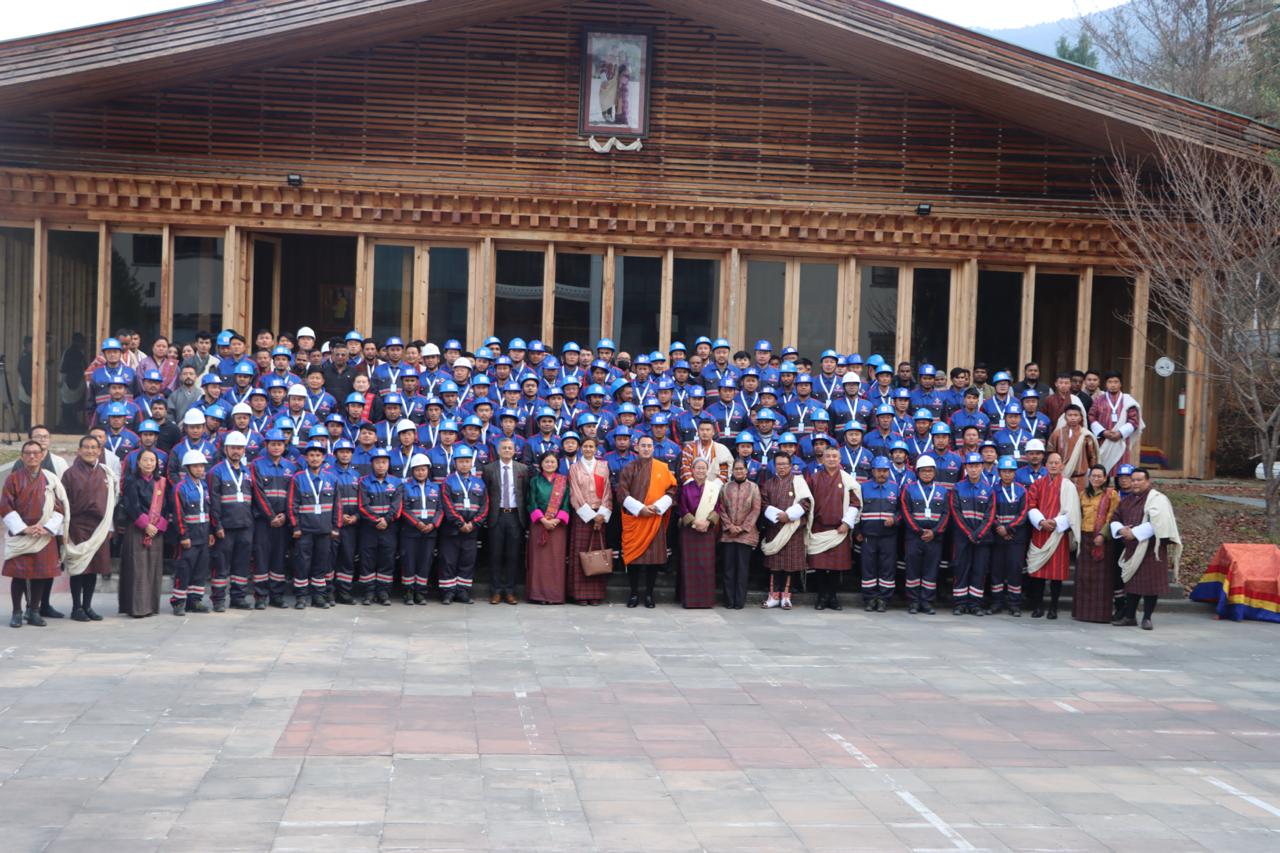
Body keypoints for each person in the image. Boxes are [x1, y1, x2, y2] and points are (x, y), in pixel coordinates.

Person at [3, 440, 66, 627]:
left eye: (36, 453)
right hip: (22, 533)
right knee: (19, 574)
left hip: (43, 534)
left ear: (42, 455)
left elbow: (59, 507)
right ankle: (16, 612)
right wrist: (24, 528)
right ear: (22, 457)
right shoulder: (13, 479)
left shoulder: (50, 479)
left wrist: (46, 527)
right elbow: (5, 506)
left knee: (41, 574)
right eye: (28, 453)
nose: (32, 456)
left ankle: (34, 611)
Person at [1112, 468, 1182, 630]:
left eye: (1139, 480)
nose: (1135, 483)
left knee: (1151, 586)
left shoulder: (1158, 499)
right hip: (1132, 548)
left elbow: (1159, 522)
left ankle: (1147, 618)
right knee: (1132, 585)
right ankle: (1130, 617)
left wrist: (1135, 533)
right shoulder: (1126, 501)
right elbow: (1115, 517)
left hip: (1152, 548)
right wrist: (1121, 530)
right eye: (1133, 480)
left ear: (1147, 481)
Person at [616, 434, 678, 608]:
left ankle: (649, 595)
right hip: (636, 519)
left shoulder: (662, 468)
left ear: (653, 448)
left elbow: (672, 489)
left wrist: (658, 506)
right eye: (643, 445)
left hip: (654, 518)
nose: (646, 449)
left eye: (649, 446)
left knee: (653, 560)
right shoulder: (629, 468)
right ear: (636, 447)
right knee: (633, 559)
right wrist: (640, 509)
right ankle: (634, 594)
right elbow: (621, 493)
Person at [60, 435, 115, 622]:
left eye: (93, 447)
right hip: (77, 525)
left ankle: (87, 606)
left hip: (99, 526)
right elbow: (62, 502)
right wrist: (64, 530)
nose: (90, 451)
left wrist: (109, 526)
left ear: (99, 451)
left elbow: (112, 501)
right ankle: (76, 607)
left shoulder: (106, 473)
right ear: (79, 450)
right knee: (79, 567)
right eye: (86, 447)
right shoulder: (69, 474)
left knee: (93, 568)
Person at [1024, 450, 1080, 620]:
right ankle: (1038, 606)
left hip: (1058, 534)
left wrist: (1056, 522)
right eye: (1051, 463)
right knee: (1037, 572)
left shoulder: (1069, 486)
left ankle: (1053, 607)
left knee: (1056, 575)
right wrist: (1041, 521)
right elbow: (1031, 505)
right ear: (1046, 465)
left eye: (1057, 463)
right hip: (1040, 532)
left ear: (1062, 465)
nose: (1054, 465)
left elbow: (1073, 511)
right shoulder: (1037, 484)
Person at [806, 445, 861, 611]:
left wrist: (847, 523)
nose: (831, 459)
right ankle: (821, 597)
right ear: (822, 459)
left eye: (834, 456)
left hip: (839, 529)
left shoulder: (847, 480)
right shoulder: (814, 478)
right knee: (820, 567)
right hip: (818, 528)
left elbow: (855, 503)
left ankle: (833, 597)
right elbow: (806, 501)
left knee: (837, 567)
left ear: (840, 459)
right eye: (828, 456)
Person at [288, 442, 341, 609]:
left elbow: (337, 505)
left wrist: (336, 527)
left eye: (318, 455)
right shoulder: (298, 478)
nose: (315, 458)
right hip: (304, 531)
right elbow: (292, 504)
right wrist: (295, 527)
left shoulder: (332, 479)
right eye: (311, 455)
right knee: (302, 564)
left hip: (325, 531)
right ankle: (301, 597)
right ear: (305, 458)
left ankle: (319, 596)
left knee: (321, 564)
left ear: (323, 458)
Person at [208, 431, 255, 611]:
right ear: (226, 449)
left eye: (240, 448)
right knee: (221, 564)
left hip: (245, 525)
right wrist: (217, 525)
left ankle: (238, 598)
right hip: (225, 527)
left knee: (241, 564)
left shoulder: (247, 471)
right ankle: (218, 599)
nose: (237, 451)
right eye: (233, 448)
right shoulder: (216, 471)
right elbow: (213, 500)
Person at [119, 448, 167, 618]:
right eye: (145, 460)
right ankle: (137, 607)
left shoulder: (161, 482)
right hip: (137, 529)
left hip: (156, 531)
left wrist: (158, 525)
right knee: (137, 568)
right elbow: (131, 505)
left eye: (152, 460)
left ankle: (151, 606)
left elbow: (166, 506)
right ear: (138, 462)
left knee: (153, 568)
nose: (149, 463)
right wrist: (145, 524)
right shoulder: (132, 481)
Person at [251, 429, 297, 608]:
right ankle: (260, 596)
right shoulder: (257, 465)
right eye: (273, 444)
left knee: (279, 558)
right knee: (261, 557)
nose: (276, 447)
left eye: (280, 444)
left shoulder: (291, 467)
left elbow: (293, 495)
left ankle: (276, 595)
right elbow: (258, 493)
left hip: (283, 521)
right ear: (266, 445)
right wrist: (270, 516)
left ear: (285, 446)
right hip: (263, 521)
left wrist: (285, 515)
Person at [759, 453, 810, 609]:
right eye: (779, 464)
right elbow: (763, 504)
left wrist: (788, 516)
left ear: (790, 466)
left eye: (785, 464)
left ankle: (786, 597)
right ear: (774, 466)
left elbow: (806, 502)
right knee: (774, 565)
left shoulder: (799, 483)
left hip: (792, 529)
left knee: (789, 565)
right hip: (774, 529)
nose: (782, 467)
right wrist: (777, 516)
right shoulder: (768, 484)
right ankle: (773, 596)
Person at [481, 437, 528, 605]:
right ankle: (495, 591)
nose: (507, 450)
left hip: (515, 516)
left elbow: (525, 492)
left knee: (513, 555)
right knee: (495, 555)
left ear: (514, 450)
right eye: (504, 448)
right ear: (498, 451)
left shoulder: (523, 469)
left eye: (510, 448)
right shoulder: (489, 469)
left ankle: (510, 591)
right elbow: (485, 494)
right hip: (497, 516)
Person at [567, 436, 612, 606]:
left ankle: (596, 594)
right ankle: (579, 595)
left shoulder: (603, 466)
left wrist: (601, 515)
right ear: (580, 448)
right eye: (585, 446)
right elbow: (575, 493)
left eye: (591, 446)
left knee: (597, 554)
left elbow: (607, 491)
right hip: (583, 515)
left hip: (600, 514)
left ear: (596, 449)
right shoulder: (574, 468)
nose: (588, 449)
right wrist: (591, 516)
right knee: (581, 554)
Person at [901, 455, 949, 615]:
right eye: (923, 471)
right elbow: (906, 512)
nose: (927, 474)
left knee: (931, 569)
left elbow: (946, 514)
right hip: (914, 537)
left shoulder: (942, 491)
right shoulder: (909, 489)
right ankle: (913, 601)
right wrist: (919, 531)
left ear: (934, 472)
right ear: (917, 472)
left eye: (930, 471)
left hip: (935, 538)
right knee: (912, 569)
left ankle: (927, 601)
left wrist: (934, 532)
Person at [439, 444, 487, 604]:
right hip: (451, 530)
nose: (464, 464)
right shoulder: (448, 482)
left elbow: (485, 506)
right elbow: (447, 504)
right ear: (455, 463)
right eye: (461, 461)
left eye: (467, 461)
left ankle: (463, 591)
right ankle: (448, 592)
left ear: (472, 463)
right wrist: (460, 523)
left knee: (467, 561)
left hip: (471, 530)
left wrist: (473, 524)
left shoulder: (479, 483)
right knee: (448, 561)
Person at [949, 453, 996, 616]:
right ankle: (960, 603)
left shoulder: (989, 489)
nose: (974, 469)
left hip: (982, 538)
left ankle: (975, 604)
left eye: (977, 466)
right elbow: (955, 512)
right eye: (971, 466)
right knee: (961, 569)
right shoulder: (957, 487)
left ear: (981, 467)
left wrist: (979, 533)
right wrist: (968, 533)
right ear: (966, 468)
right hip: (962, 538)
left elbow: (990, 515)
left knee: (979, 570)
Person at [171, 450, 214, 616]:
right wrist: (184, 535)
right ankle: (178, 601)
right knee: (184, 569)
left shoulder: (204, 486)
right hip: (189, 535)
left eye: (202, 466)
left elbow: (208, 510)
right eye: (195, 466)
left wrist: (210, 533)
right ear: (188, 468)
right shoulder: (180, 488)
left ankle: (194, 601)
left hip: (203, 534)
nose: (199, 469)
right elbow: (178, 514)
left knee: (200, 569)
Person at [1074, 464, 1119, 624]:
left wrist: (1102, 534)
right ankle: (1082, 613)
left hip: (1102, 539)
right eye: (1093, 476)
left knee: (1102, 579)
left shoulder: (1111, 494)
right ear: (1089, 477)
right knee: (1084, 577)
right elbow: (1077, 514)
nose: (1096, 479)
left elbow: (1113, 516)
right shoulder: (1082, 494)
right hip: (1085, 538)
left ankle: (1100, 615)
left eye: (1100, 476)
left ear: (1105, 478)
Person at [357, 447, 402, 605]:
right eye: (377, 462)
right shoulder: (363, 482)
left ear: (389, 464)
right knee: (367, 560)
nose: (381, 465)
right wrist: (376, 520)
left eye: (384, 462)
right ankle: (368, 592)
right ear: (372, 464)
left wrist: (387, 520)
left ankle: (383, 592)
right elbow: (363, 506)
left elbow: (397, 506)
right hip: (369, 529)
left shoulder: (396, 482)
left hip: (389, 528)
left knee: (387, 560)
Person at [677, 458, 721, 609]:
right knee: (690, 567)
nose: (701, 471)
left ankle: (706, 601)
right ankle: (690, 601)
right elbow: (682, 508)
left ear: (707, 470)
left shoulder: (713, 488)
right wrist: (695, 523)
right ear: (692, 470)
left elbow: (718, 507)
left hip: (707, 531)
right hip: (690, 531)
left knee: (706, 566)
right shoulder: (686, 488)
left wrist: (708, 522)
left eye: (704, 468)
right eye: (698, 468)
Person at [526, 452, 570, 605]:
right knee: (539, 561)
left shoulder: (563, 481)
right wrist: (543, 520)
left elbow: (566, 502)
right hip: (539, 524)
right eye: (546, 462)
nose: (550, 464)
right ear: (541, 464)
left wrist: (557, 520)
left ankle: (555, 595)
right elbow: (531, 502)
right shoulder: (534, 481)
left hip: (558, 527)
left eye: (552, 462)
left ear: (557, 464)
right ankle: (538, 595)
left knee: (556, 561)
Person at [857, 456, 899, 612]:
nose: (882, 474)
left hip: (889, 536)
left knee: (887, 568)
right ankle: (869, 599)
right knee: (868, 568)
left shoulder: (895, 487)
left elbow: (901, 510)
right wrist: (857, 531)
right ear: (873, 471)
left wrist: (894, 519)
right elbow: (856, 510)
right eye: (879, 470)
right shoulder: (863, 487)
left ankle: (883, 599)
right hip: (868, 536)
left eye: (885, 471)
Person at [399, 454, 441, 605]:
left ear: (428, 470)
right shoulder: (405, 487)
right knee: (409, 561)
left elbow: (440, 509)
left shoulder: (436, 487)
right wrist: (417, 523)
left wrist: (433, 524)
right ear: (412, 471)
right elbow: (404, 508)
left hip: (430, 533)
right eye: (417, 470)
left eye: (423, 469)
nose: (421, 472)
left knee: (425, 561)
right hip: (410, 532)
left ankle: (420, 592)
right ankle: (408, 592)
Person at [718, 459, 760, 610]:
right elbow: (721, 508)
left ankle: (739, 601)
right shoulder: (725, 487)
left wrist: (742, 527)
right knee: (728, 569)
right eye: (736, 469)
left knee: (742, 569)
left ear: (746, 471)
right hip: (728, 534)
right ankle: (729, 601)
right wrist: (730, 526)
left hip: (745, 535)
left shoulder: (753, 487)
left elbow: (756, 509)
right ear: (732, 471)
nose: (739, 471)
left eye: (742, 469)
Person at [990, 456, 1028, 617]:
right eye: (1004, 471)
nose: (1007, 474)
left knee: (1014, 570)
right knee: (996, 570)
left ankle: (1014, 604)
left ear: (1014, 473)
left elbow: (1023, 513)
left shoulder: (1021, 490)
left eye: (1010, 471)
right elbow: (990, 512)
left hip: (1016, 538)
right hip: (997, 537)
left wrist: (1008, 529)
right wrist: (999, 527)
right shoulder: (992, 490)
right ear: (999, 472)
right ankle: (996, 603)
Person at [1088, 373, 1143, 475]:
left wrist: (1120, 433)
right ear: (1106, 384)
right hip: (1103, 441)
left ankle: (1119, 484)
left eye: (1116, 382)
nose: (1113, 385)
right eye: (1110, 382)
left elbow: (1134, 420)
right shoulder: (1098, 400)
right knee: (1102, 469)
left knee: (1121, 471)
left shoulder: (1128, 400)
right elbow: (1091, 417)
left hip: (1121, 441)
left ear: (1120, 384)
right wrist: (1103, 432)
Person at [1047, 404, 1098, 489]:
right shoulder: (1056, 434)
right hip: (1060, 478)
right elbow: (1050, 455)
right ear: (1065, 417)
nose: (1073, 418)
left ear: (1080, 418)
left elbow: (1092, 457)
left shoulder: (1086, 436)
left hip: (1081, 478)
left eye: (1075, 415)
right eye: (1070, 415)